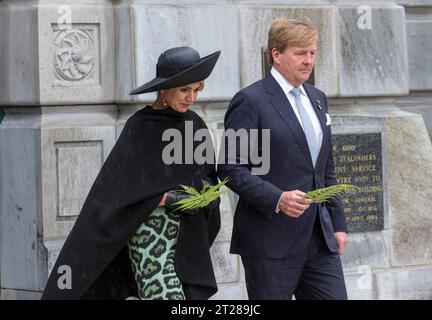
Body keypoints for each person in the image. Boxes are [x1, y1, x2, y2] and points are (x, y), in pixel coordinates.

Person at [42, 46, 222, 300]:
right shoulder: (140, 125)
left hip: (188, 235)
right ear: (164, 89)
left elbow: (208, 179)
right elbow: (118, 189)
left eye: (196, 90)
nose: (191, 98)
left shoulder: (196, 126)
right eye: (184, 89)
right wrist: (164, 199)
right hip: (149, 232)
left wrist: (202, 197)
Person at [217, 18, 348, 300]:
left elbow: (325, 167)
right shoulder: (250, 100)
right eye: (300, 53)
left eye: (312, 53)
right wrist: (278, 199)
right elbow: (230, 167)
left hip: (319, 239)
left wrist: (338, 223)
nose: (308, 60)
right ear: (276, 55)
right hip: (270, 241)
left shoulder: (318, 98)